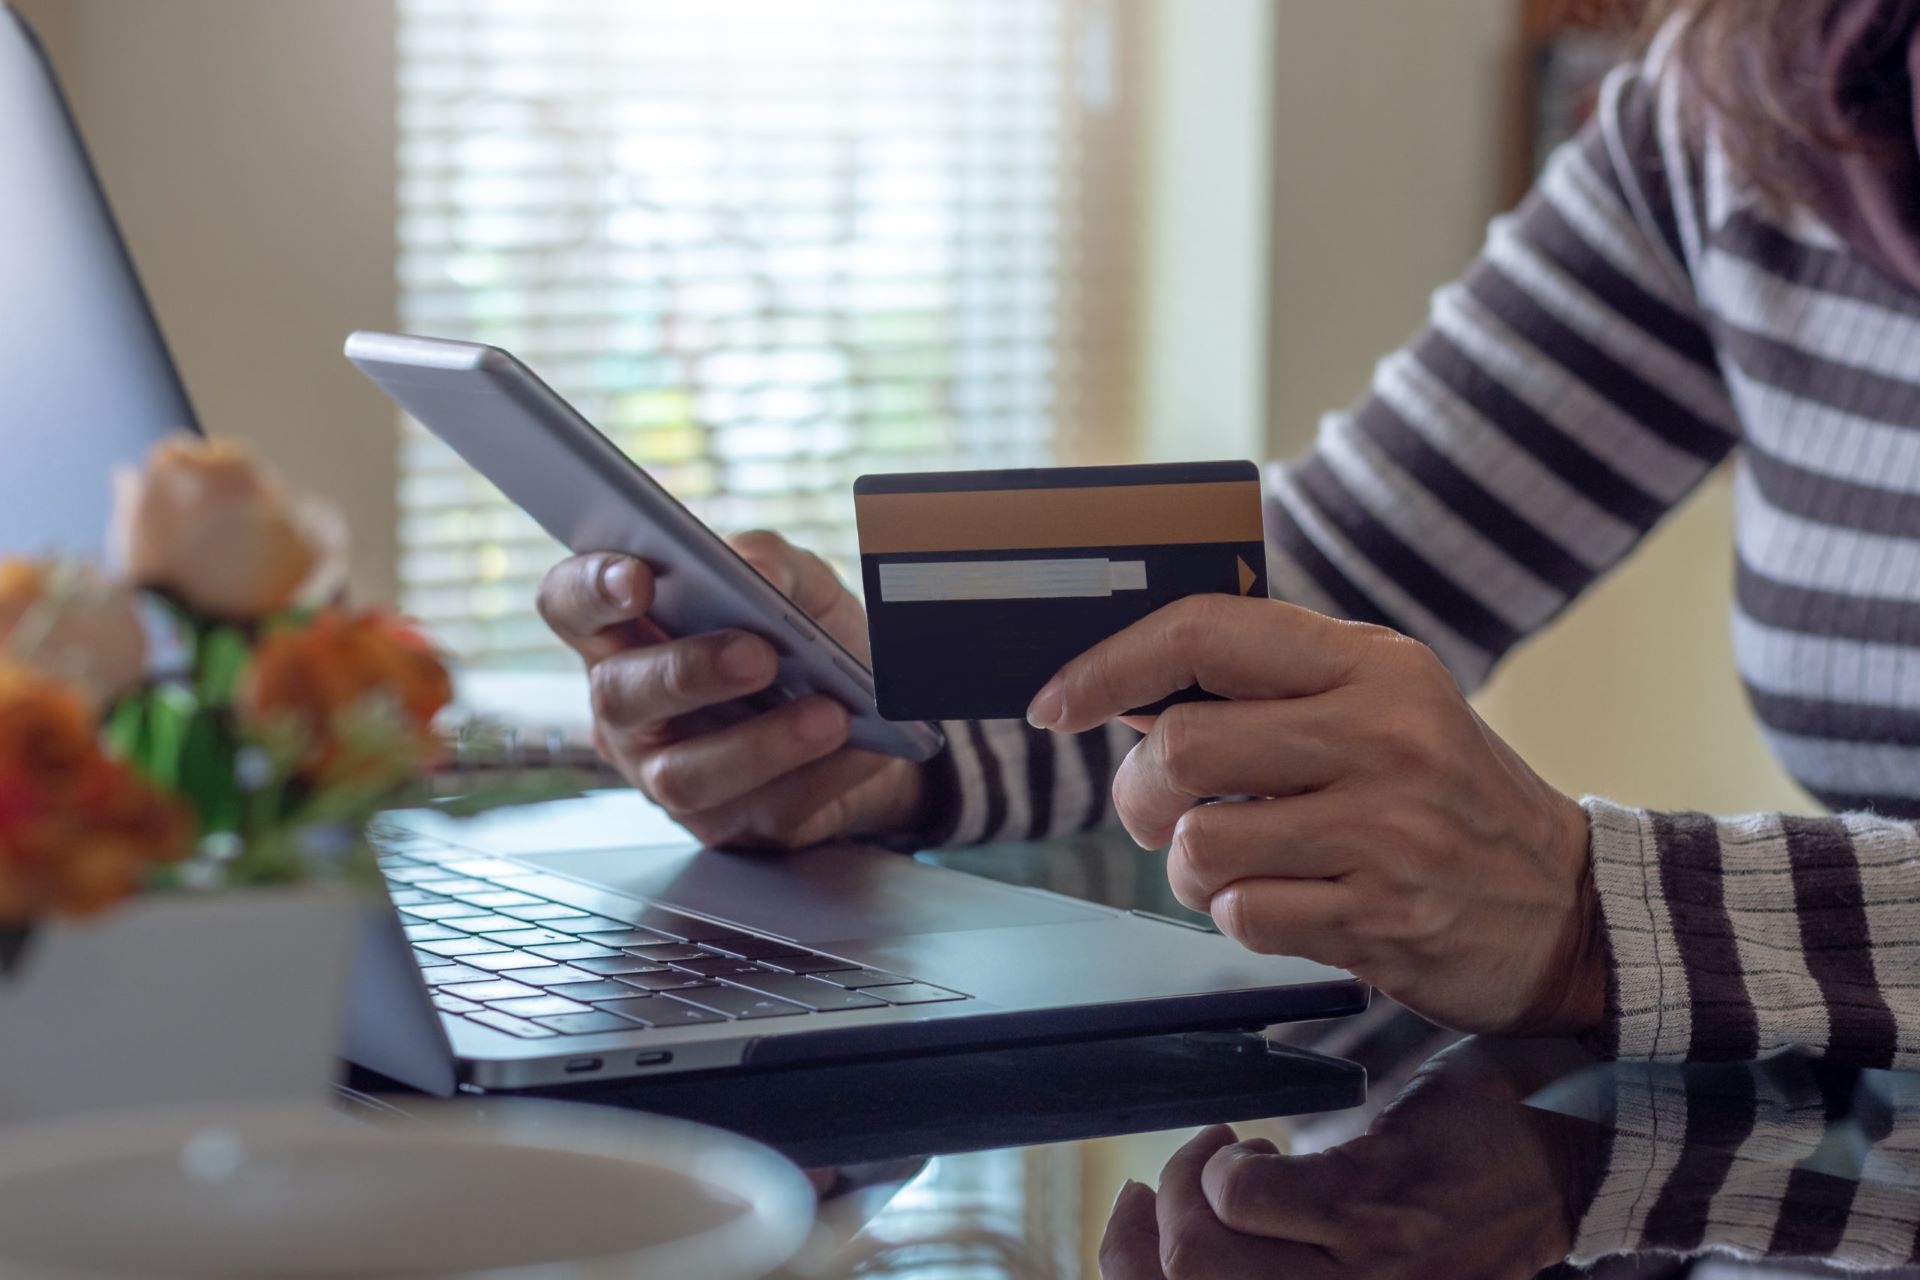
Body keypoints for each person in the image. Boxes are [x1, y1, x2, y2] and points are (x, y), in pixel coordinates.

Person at [537, 0, 1920, 1069]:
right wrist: (879, 729)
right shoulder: (1749, 106)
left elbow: (1578, 901)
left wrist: (1596, 912)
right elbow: (1325, 591)